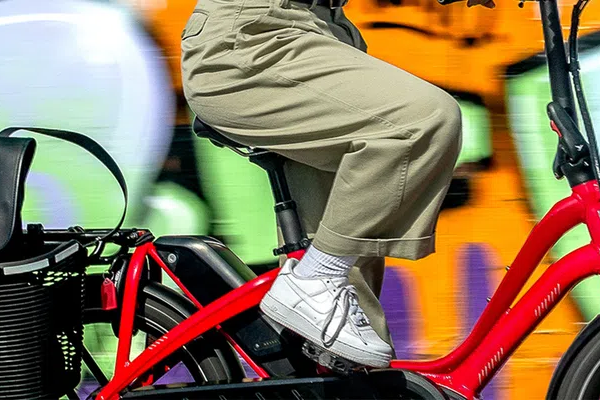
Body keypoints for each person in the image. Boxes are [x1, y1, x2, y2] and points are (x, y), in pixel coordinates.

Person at [179, 0, 494, 368]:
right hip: (256, 39)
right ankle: (315, 277)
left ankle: (320, 294)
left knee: (354, 332)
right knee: (421, 121)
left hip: (322, 33)